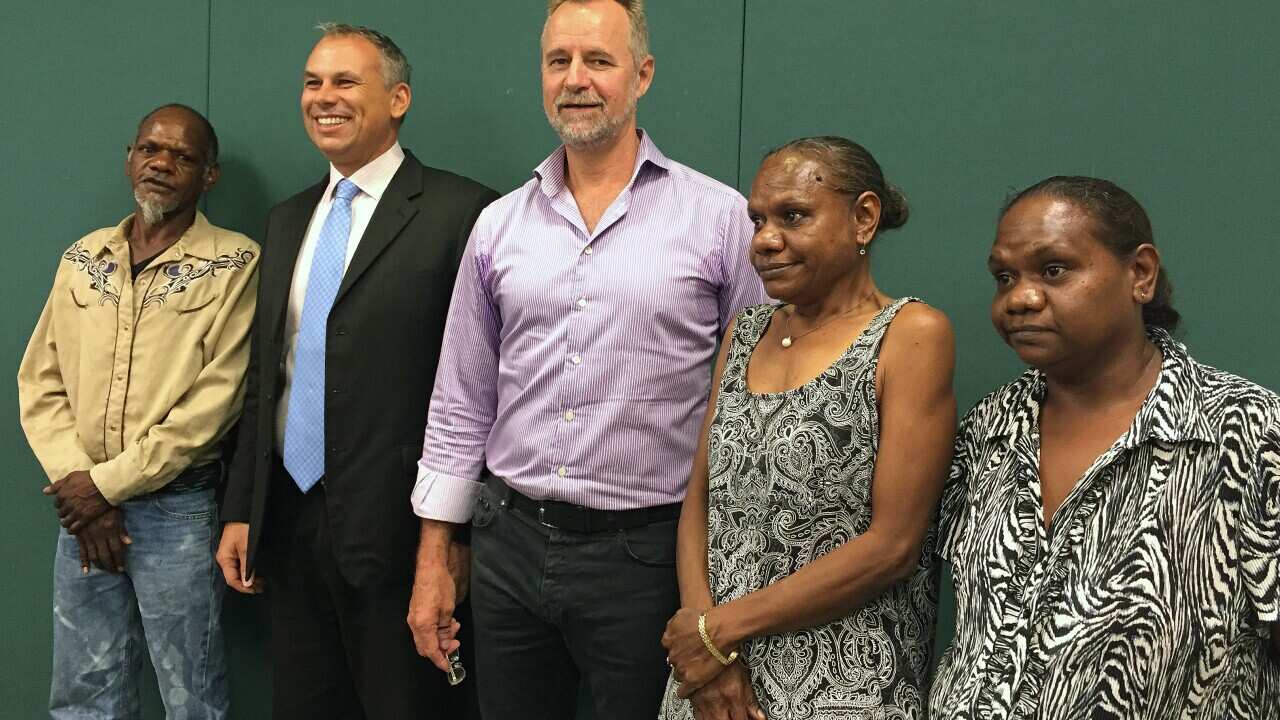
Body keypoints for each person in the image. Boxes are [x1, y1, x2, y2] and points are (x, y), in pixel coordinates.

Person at [406, 1, 768, 717]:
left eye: (598, 61)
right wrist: (434, 555)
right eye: (558, 61)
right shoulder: (499, 225)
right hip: (506, 547)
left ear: (642, 74)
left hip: (646, 560)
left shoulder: (720, 218)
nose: (576, 79)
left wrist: (723, 594)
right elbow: (461, 398)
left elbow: (750, 409)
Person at [215, 23, 498, 720]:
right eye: (312, 83)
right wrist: (243, 508)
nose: (323, 97)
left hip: (401, 533)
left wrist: (454, 540)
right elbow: (267, 374)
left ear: (398, 98)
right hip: (290, 524)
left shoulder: (464, 213)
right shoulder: (287, 220)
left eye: (345, 82)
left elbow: (484, 386)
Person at [931, 176, 1280, 718]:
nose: (1019, 298)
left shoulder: (1246, 430)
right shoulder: (988, 430)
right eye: (1004, 277)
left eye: (1053, 269)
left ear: (1140, 274)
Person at [655, 136, 956, 720]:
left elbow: (893, 546)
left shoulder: (911, 333)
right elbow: (700, 498)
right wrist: (700, 637)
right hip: (714, 679)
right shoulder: (746, 331)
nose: (765, 240)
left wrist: (718, 630)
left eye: (793, 216)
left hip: (849, 683)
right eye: (758, 220)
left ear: (864, 217)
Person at [18, 104, 257, 719]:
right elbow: (40, 380)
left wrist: (103, 486)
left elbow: (217, 401)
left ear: (209, 176)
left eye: (182, 156)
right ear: (130, 158)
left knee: (192, 696)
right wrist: (83, 486)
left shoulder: (235, 264)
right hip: (81, 510)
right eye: (151, 149)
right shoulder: (83, 257)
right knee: (82, 693)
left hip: (177, 511)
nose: (161, 164)